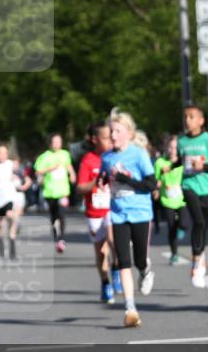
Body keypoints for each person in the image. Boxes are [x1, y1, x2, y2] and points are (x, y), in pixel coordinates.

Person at [101, 111, 156, 328]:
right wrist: (104, 180)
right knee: (123, 261)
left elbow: (151, 185)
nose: (113, 135)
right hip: (118, 213)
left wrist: (125, 178)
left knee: (139, 259)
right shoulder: (106, 157)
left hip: (140, 212)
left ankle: (145, 270)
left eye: (117, 131)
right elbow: (105, 177)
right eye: (111, 131)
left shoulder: (139, 155)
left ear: (129, 134)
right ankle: (130, 309)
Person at [176, 105, 208, 288]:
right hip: (188, 186)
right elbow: (178, 162)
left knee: (203, 226)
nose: (187, 120)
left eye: (191, 117)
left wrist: (204, 167)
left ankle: (201, 253)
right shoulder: (181, 141)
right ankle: (196, 262)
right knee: (197, 222)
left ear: (201, 120)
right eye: (185, 117)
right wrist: (168, 167)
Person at [76, 122, 114, 302]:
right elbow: (80, 187)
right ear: (95, 140)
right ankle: (105, 282)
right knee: (100, 253)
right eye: (106, 137)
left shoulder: (116, 156)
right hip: (95, 212)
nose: (111, 140)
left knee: (115, 242)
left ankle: (116, 270)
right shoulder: (88, 160)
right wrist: (96, 181)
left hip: (114, 209)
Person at [34, 132, 76, 253]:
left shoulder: (65, 154)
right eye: (55, 142)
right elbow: (37, 172)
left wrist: (72, 174)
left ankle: (61, 239)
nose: (57, 144)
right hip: (50, 191)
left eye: (59, 141)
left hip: (63, 190)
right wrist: (49, 169)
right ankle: (56, 237)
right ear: (50, 143)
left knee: (61, 213)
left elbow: (68, 165)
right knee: (53, 216)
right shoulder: (44, 156)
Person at [155, 135, 187, 266]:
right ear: (166, 147)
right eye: (170, 147)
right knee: (171, 226)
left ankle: (181, 227)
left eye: (175, 147)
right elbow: (156, 180)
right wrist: (156, 188)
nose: (173, 150)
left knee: (184, 224)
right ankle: (174, 254)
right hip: (167, 199)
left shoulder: (182, 161)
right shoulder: (160, 162)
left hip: (182, 199)